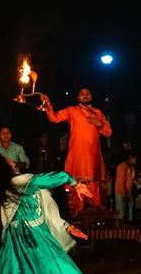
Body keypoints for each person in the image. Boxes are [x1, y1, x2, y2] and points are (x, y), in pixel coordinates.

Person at [41, 88, 112, 216]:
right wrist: (48, 104)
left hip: (93, 159)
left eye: (88, 94)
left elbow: (108, 132)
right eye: (82, 94)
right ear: (78, 98)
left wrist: (100, 124)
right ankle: (76, 221)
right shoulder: (72, 111)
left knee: (95, 193)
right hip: (77, 159)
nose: (85, 95)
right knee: (75, 191)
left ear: (91, 97)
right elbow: (54, 118)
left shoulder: (97, 112)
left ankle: (96, 223)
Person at [114, 152, 137, 221]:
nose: (136, 160)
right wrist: (124, 194)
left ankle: (129, 228)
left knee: (129, 212)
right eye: (135, 159)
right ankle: (121, 230)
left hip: (127, 192)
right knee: (121, 214)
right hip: (121, 193)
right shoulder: (123, 166)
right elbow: (121, 182)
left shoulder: (130, 167)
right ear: (130, 158)